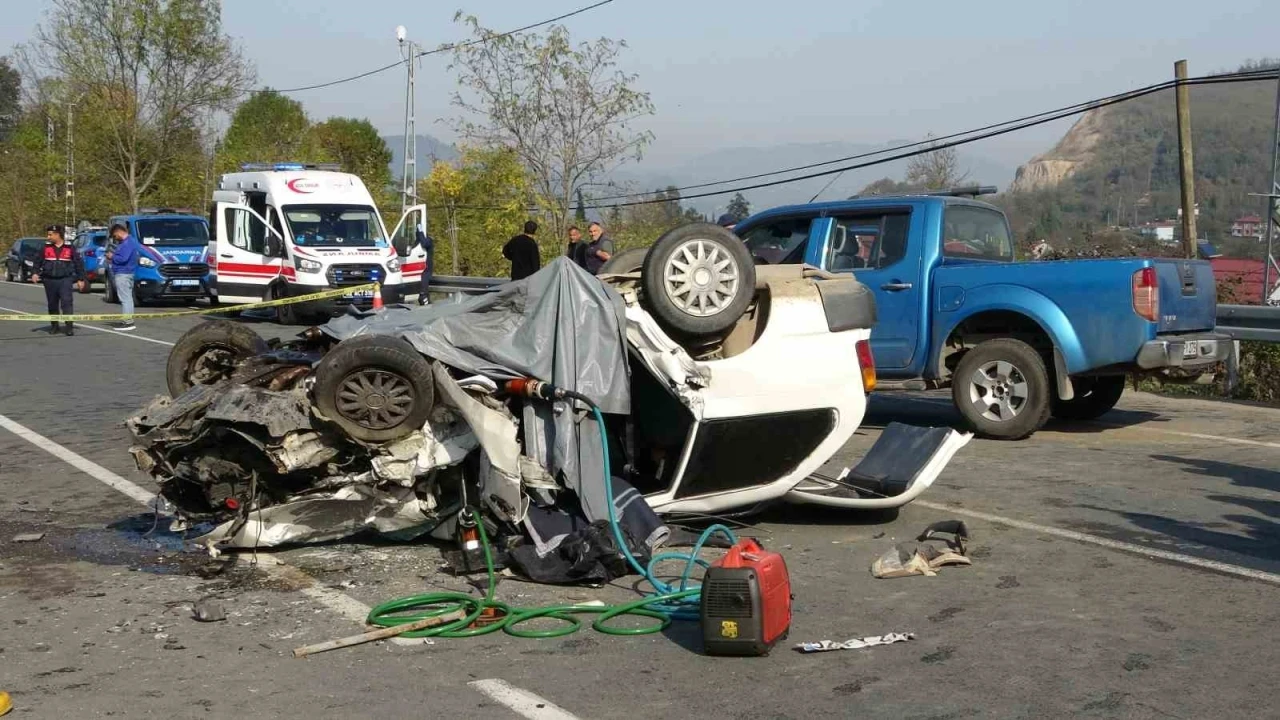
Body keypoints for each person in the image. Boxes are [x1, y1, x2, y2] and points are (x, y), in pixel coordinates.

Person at [30, 225, 86, 336]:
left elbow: (78, 263)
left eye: (50, 234)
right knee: (52, 304)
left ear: (57, 234)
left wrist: (81, 279)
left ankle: (69, 327)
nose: (48, 236)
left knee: (67, 303)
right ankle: (54, 326)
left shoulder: (70, 248)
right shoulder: (45, 248)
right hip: (49, 280)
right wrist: (35, 273)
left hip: (65, 279)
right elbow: (37, 261)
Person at [107, 223, 140, 330]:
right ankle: (128, 320)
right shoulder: (131, 241)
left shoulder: (127, 243)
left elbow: (123, 259)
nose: (115, 239)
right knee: (128, 298)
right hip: (127, 273)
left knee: (125, 299)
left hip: (123, 273)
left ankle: (128, 322)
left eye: (114, 236)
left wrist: (112, 256)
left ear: (118, 232)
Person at [416, 222, 434, 306]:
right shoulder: (418, 241)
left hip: (426, 268)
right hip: (422, 268)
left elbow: (424, 243)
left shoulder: (429, 240)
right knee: (423, 291)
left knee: (424, 292)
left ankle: (425, 303)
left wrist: (420, 232)